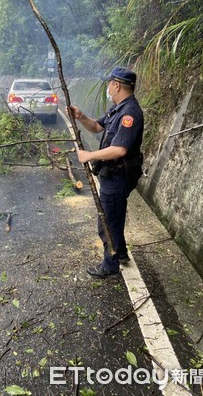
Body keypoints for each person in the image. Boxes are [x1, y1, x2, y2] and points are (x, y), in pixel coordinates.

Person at [68, 66, 144, 278]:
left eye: (109, 84)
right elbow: (96, 127)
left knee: (107, 224)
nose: (108, 88)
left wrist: (88, 156)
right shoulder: (118, 108)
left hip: (118, 177)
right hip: (112, 176)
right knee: (115, 218)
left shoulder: (129, 113)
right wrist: (80, 116)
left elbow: (120, 149)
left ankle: (110, 266)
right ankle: (121, 254)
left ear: (117, 85)